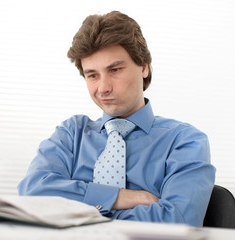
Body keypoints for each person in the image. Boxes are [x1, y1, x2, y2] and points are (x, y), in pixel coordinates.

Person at [17, 11, 215, 227]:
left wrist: (79, 212)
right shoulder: (72, 134)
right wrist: (121, 197)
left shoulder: (185, 141)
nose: (103, 88)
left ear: (144, 67)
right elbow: (32, 193)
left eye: (115, 70)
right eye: (92, 75)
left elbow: (177, 221)